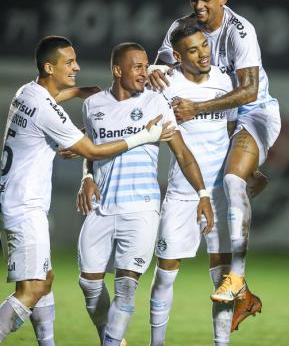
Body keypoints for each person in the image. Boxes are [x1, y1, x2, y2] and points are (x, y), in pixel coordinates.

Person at [0, 36, 174, 345]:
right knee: (32, 290)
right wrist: (145, 136)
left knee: (45, 280)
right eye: (69, 62)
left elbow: (51, 99)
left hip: (17, 202)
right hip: (25, 206)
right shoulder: (48, 112)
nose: (77, 67)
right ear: (49, 66)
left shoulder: (25, 93)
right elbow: (92, 151)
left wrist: (78, 91)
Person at [149, 0, 281, 330]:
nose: (200, 6)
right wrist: (154, 71)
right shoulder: (182, 28)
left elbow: (250, 90)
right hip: (223, 120)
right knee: (232, 179)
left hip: (253, 114)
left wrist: (197, 108)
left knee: (234, 182)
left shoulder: (241, 31)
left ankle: (237, 281)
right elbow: (164, 65)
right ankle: (249, 171)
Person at [75, 42, 214, 346]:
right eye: (137, 66)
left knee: (125, 289)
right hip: (101, 208)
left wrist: (202, 193)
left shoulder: (155, 103)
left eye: (145, 65)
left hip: (141, 209)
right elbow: (91, 147)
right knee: (89, 285)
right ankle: (112, 340)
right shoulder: (93, 105)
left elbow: (183, 154)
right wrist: (86, 176)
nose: (144, 72)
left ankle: (111, 343)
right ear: (117, 70)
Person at [148, 25, 238, 346]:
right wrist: (149, 70)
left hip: (220, 196)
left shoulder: (223, 82)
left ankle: (221, 343)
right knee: (165, 274)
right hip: (182, 195)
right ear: (176, 56)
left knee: (224, 278)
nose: (203, 54)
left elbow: (230, 130)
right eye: (192, 50)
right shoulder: (165, 84)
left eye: (204, 46)